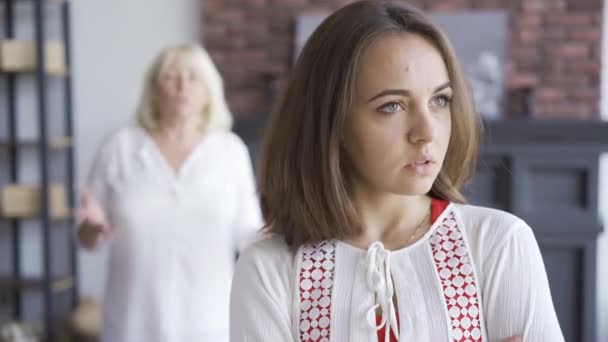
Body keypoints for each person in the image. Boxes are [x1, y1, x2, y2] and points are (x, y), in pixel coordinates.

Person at [229, 1, 564, 341]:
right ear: (330, 122)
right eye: (392, 106)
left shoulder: (499, 244)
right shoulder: (269, 267)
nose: (427, 131)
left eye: (440, 100)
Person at [77, 43, 262, 342]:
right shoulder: (119, 149)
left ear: (209, 91)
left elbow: (250, 234)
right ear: (153, 90)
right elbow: (86, 235)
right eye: (170, 76)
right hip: (131, 325)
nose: (181, 86)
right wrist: (89, 230)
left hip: (209, 324)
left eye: (193, 77)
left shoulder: (230, 151)